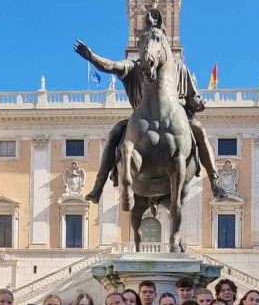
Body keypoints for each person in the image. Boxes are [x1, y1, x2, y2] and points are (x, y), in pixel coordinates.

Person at [74, 27, 226, 203]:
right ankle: (98, 186)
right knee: (115, 133)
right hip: (141, 121)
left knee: (199, 131)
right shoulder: (133, 67)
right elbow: (111, 66)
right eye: (144, 42)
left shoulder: (179, 68)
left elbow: (192, 97)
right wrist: (91, 57)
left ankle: (214, 180)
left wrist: (196, 103)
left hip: (177, 120)